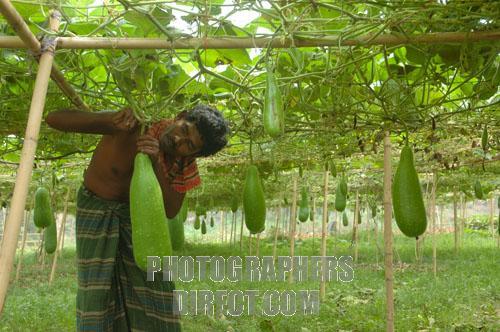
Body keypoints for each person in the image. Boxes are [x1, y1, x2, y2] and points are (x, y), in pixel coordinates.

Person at [45, 104, 230, 331]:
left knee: (158, 291)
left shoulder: (183, 164)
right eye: (183, 129)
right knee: (97, 291)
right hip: (96, 211)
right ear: (180, 117)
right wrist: (108, 121)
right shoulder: (133, 124)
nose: (179, 140)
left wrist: (155, 163)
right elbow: (53, 118)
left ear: (195, 154)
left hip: (139, 219)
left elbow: (171, 209)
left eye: (189, 145)